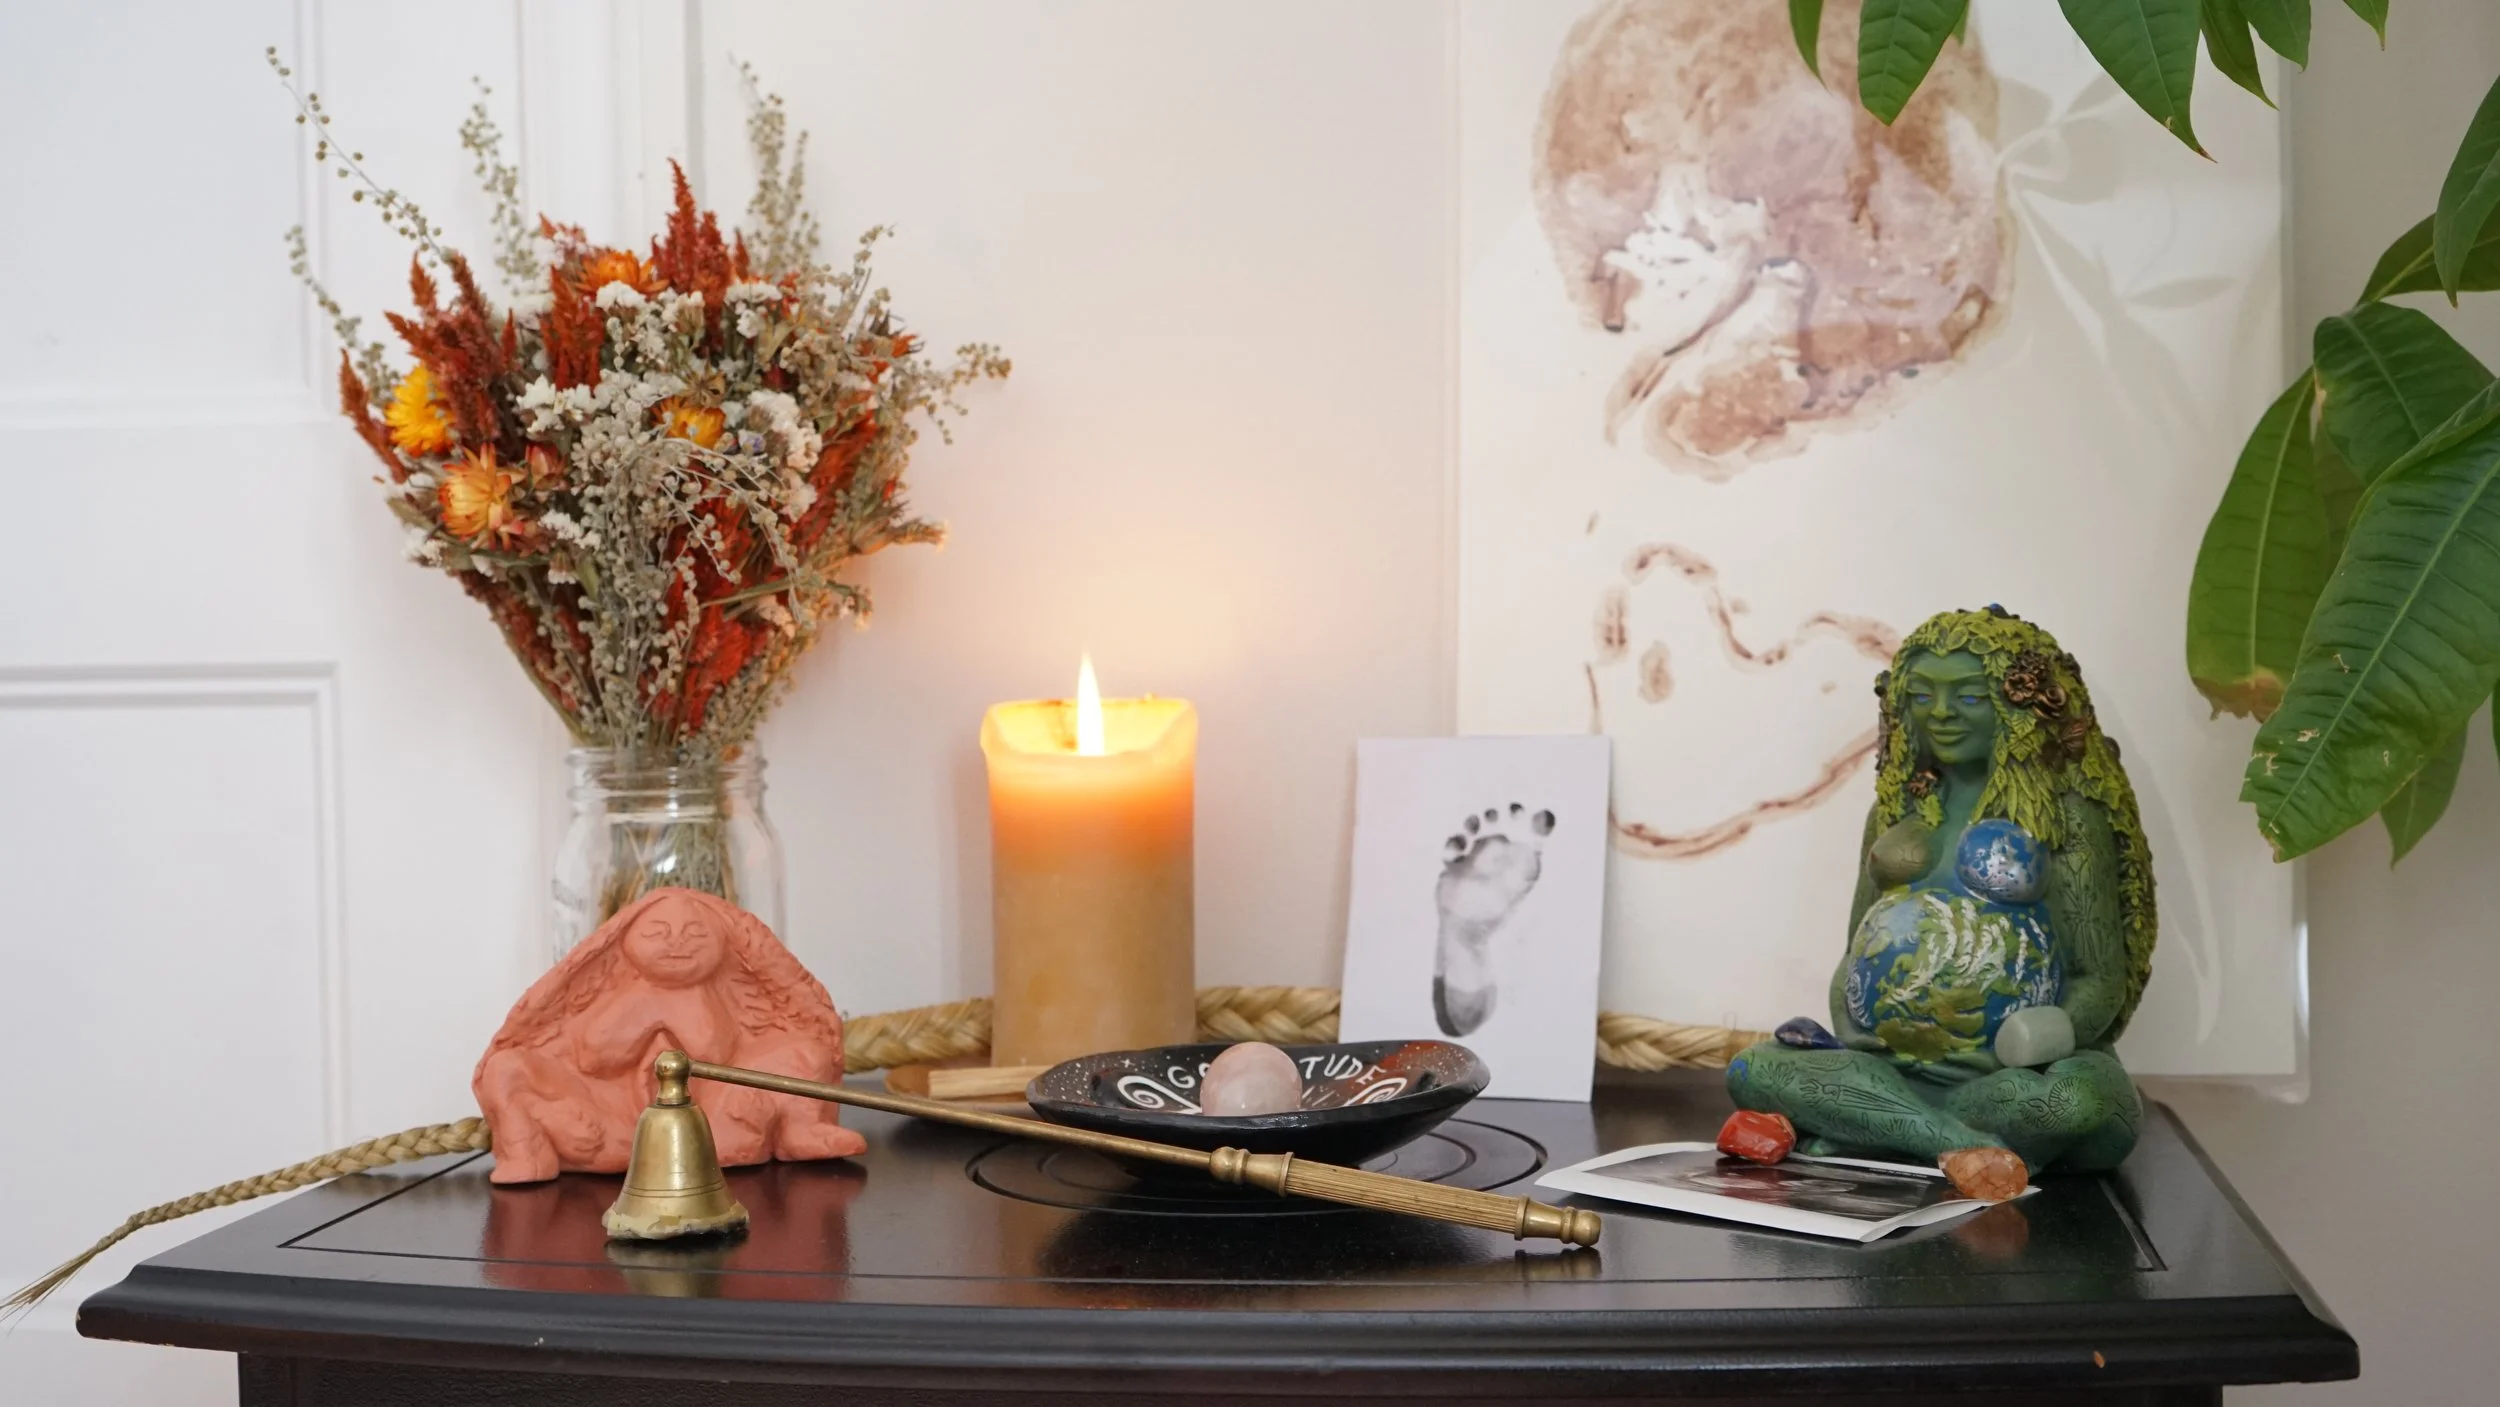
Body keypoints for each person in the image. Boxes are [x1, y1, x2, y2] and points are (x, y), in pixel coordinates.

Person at [1725, 608, 2156, 1194]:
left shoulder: (2068, 820)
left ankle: (1874, 1128)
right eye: (1923, 696)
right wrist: (1852, 1025)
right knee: (1753, 1068)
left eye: (1969, 697)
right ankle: (1958, 1147)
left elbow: (2099, 980)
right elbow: (1856, 945)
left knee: (2077, 1100)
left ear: (2020, 705)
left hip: (2003, 1081)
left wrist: (2032, 1039)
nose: (1943, 713)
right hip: (1892, 1068)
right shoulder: (1893, 812)